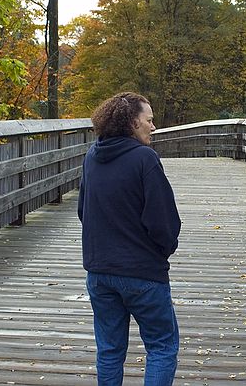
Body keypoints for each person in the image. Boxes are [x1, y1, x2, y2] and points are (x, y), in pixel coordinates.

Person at [77, 92, 181, 386]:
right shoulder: (145, 159)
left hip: (100, 272)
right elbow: (163, 221)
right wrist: (163, 251)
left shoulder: (91, 156)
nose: (154, 126)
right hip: (142, 274)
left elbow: (84, 211)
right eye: (149, 120)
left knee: (109, 351)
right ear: (134, 122)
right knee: (162, 347)